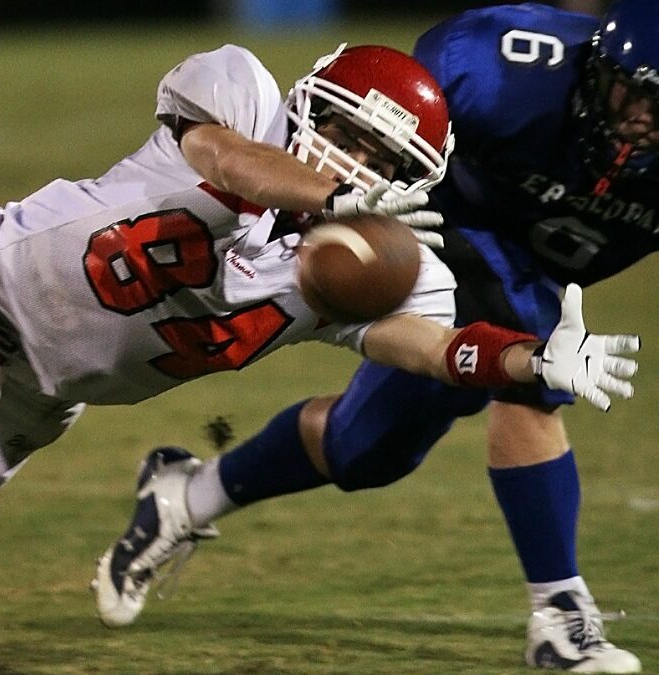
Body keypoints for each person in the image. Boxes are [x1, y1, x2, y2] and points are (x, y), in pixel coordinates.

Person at [0, 41, 638, 640]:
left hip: (18, 407)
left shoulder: (385, 264)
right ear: (310, 108)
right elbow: (222, 158)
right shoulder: (240, 92)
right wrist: (331, 199)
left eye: (389, 166)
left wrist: (524, 360)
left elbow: (429, 347)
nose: (360, 170)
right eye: (350, 139)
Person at [93, 1, 654, 672]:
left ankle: (186, 494)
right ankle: (561, 614)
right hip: (431, 224)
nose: (641, 118)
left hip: (542, 267)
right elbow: (391, 119)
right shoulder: (503, 65)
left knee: (369, 450)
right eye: (635, 92)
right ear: (599, 69)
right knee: (532, 372)